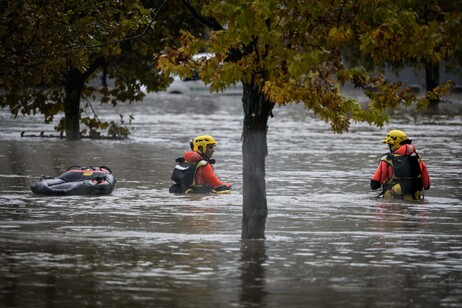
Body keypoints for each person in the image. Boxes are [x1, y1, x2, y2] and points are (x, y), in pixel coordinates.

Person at [370, 129, 430, 200]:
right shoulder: (418, 160)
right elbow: (427, 185)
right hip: (414, 201)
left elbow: (374, 185)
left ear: (393, 144)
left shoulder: (387, 160)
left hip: (392, 202)